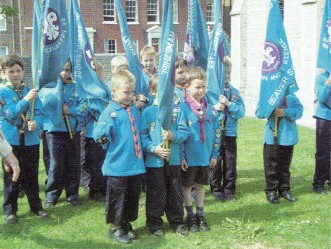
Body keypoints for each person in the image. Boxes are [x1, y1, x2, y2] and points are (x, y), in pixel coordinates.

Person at [93, 70, 146, 244]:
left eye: (132, 92)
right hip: (118, 165)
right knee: (117, 197)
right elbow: (99, 133)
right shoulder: (110, 112)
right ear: (114, 91)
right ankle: (114, 227)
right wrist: (102, 135)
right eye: (125, 92)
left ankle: (125, 222)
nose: (129, 96)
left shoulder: (133, 110)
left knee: (132, 196)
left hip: (135, 164)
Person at [0, 54, 49, 224]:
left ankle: (36, 206)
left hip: (31, 141)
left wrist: (37, 123)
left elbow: (42, 113)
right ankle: (10, 210)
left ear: (23, 71)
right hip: (10, 142)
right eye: (11, 71)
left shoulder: (31, 91)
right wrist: (25, 101)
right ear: (3, 73)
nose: (15, 74)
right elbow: (10, 113)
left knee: (31, 175)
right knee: (11, 175)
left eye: (18, 71)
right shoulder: (2, 92)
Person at [140, 75, 190, 237]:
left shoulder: (177, 110)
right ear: (153, 91)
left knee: (175, 192)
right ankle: (154, 223)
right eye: (162, 91)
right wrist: (154, 149)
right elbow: (143, 137)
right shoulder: (147, 113)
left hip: (173, 160)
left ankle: (176, 221)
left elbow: (184, 132)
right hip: (155, 162)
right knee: (156, 192)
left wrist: (172, 136)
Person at [179, 67, 221, 232]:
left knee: (201, 186)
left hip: (205, 156)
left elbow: (217, 133)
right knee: (187, 186)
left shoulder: (210, 110)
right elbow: (181, 136)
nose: (201, 90)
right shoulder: (183, 108)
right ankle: (189, 215)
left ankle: (200, 215)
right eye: (197, 87)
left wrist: (215, 154)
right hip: (189, 157)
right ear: (187, 87)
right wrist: (182, 156)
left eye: (203, 86)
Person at [43, 60, 87, 207]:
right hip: (55, 131)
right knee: (56, 164)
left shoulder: (76, 88)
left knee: (72, 164)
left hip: (71, 130)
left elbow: (84, 105)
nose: (64, 73)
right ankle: (52, 195)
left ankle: (72, 194)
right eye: (61, 69)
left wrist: (71, 110)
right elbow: (43, 105)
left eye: (67, 70)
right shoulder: (49, 87)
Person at [256, 89, 303, 204]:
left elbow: (299, 111)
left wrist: (285, 112)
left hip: (287, 137)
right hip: (272, 137)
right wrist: (270, 110)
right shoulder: (268, 96)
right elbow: (259, 113)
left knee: (284, 166)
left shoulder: (292, 97)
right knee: (271, 165)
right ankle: (271, 191)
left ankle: (284, 190)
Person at [209, 58, 245, 202]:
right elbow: (205, 113)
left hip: (230, 133)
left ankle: (229, 190)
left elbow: (240, 112)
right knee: (216, 162)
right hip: (216, 133)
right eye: (224, 73)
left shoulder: (234, 93)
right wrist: (215, 107)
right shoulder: (211, 93)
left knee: (230, 162)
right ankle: (216, 189)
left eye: (229, 72)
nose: (227, 75)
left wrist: (229, 104)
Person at [312, 70, 331, 194]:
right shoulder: (321, 77)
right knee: (323, 152)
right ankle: (318, 183)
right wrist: (328, 83)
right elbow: (321, 97)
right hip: (325, 118)